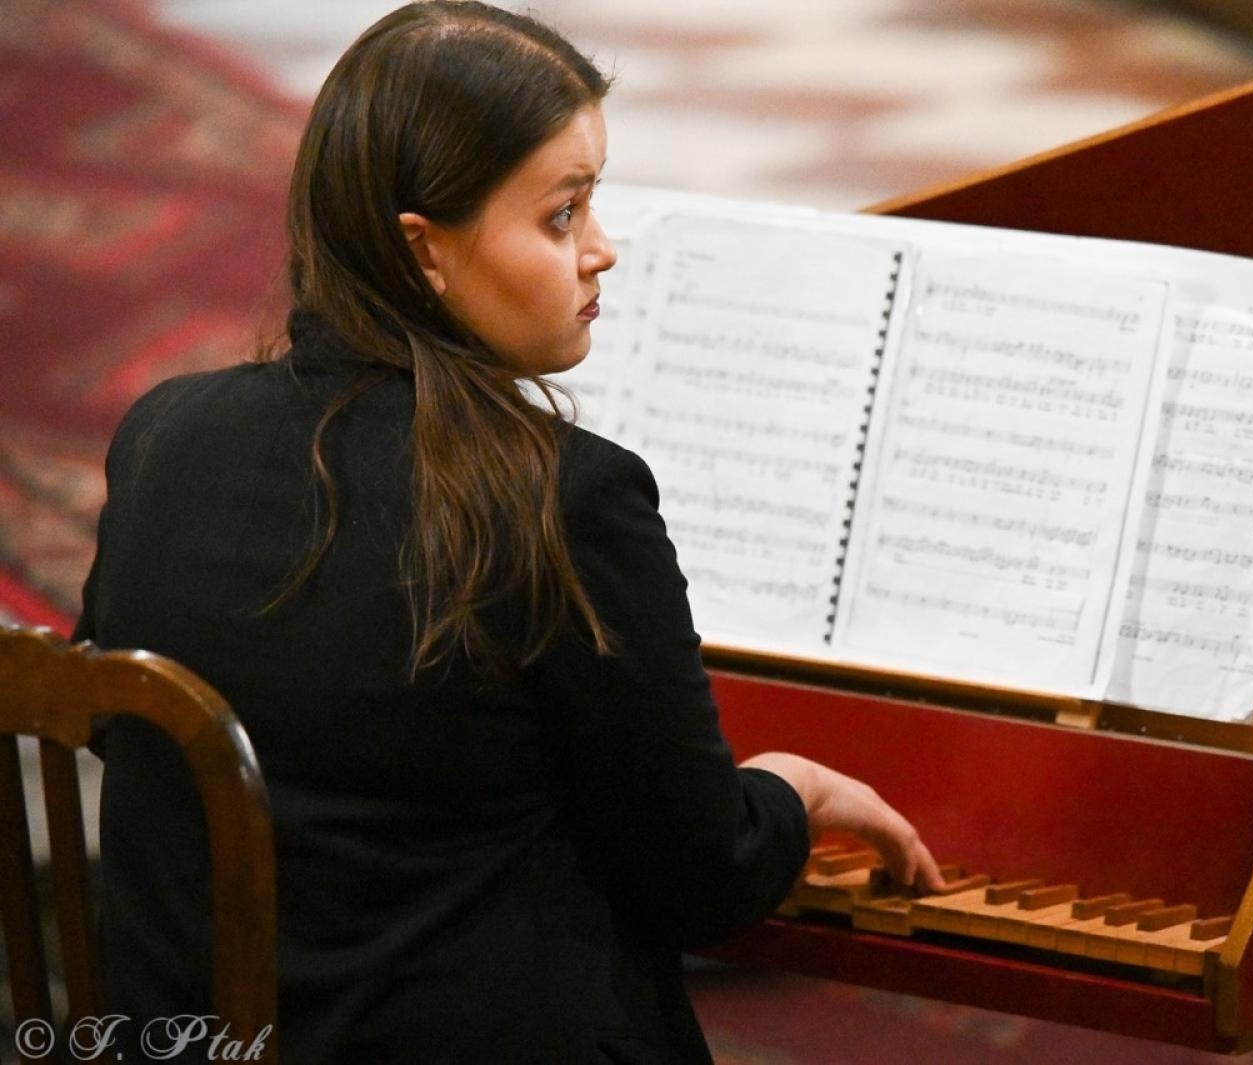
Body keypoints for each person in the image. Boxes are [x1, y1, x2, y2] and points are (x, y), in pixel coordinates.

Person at [74, 3, 944, 1062]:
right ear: (424, 251)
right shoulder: (560, 499)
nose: (603, 251)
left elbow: (116, 720)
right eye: (562, 214)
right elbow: (697, 878)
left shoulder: (161, 434)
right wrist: (791, 794)